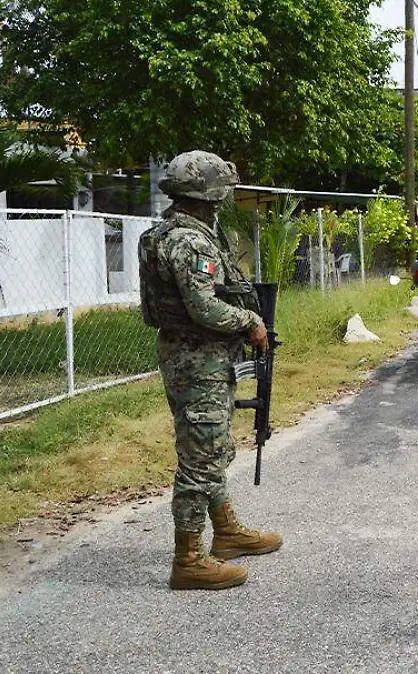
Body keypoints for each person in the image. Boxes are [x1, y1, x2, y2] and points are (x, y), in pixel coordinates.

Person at [138, 150, 282, 591]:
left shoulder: (169, 233)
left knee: (213, 446)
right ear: (209, 194)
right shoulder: (192, 241)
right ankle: (189, 559)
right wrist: (250, 322)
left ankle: (226, 532)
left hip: (194, 355)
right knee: (201, 457)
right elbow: (202, 306)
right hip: (198, 357)